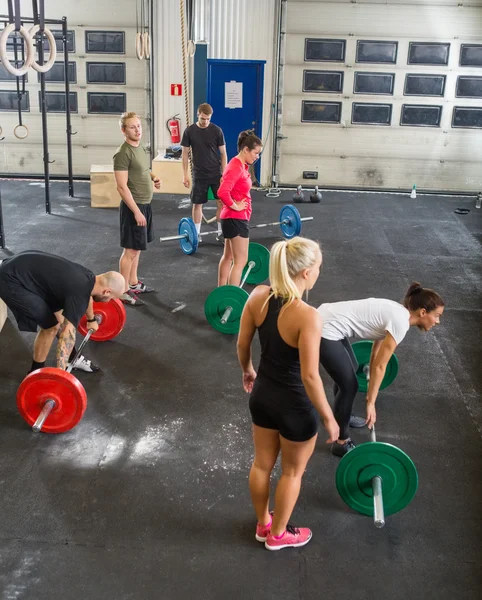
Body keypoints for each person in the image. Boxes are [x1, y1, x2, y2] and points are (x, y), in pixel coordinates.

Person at [237, 237, 339, 551]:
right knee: (292, 472)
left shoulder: (256, 296)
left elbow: (242, 344)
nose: (319, 272)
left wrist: (248, 370)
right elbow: (310, 376)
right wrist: (329, 418)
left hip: (263, 397)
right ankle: (279, 535)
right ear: (306, 272)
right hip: (295, 407)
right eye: (318, 267)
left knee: (261, 465)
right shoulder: (308, 315)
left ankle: (263, 524)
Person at [318, 283, 445, 457]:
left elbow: (376, 353)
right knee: (349, 386)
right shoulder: (401, 322)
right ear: (423, 312)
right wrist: (370, 402)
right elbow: (380, 366)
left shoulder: (399, 312)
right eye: (437, 316)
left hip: (327, 319)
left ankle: (342, 416)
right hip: (324, 329)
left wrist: (371, 391)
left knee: (352, 370)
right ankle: (341, 441)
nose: (437, 322)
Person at [0, 250, 125, 374]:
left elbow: (88, 298)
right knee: (51, 327)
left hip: (22, 267)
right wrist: (62, 374)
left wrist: (91, 319)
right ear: (107, 292)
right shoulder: (79, 293)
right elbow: (67, 335)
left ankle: (73, 359)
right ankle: (34, 373)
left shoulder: (90, 278)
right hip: (10, 279)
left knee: (59, 316)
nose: (109, 302)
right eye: (111, 298)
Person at [114, 111, 161, 307]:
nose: (137, 130)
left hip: (144, 204)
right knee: (130, 251)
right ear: (124, 130)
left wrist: (153, 178)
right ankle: (122, 291)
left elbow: (142, 169)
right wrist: (136, 211)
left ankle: (133, 283)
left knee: (138, 248)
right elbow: (121, 186)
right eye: (132, 127)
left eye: (139, 126)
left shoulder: (139, 147)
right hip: (134, 207)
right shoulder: (122, 153)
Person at [217, 131, 262, 287]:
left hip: (231, 218)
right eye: (256, 153)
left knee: (228, 256)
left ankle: (222, 291)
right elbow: (222, 192)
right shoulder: (236, 166)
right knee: (240, 261)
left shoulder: (240, 165)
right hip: (236, 218)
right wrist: (235, 206)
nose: (257, 156)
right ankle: (231, 296)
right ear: (245, 150)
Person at [181, 103, 227, 242]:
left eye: (208, 119)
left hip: (216, 173)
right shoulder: (189, 131)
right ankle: (196, 235)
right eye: (202, 118)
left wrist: (224, 175)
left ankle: (220, 233)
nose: (205, 121)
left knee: (221, 203)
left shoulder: (217, 130)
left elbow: (224, 154)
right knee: (197, 204)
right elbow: (184, 154)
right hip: (199, 174)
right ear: (198, 114)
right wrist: (185, 175)